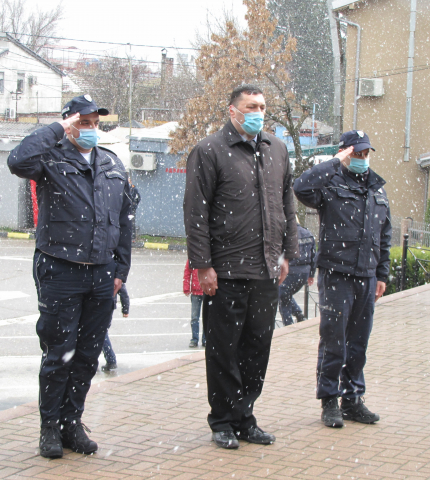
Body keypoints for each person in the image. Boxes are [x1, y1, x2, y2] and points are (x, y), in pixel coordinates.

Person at [8, 94, 133, 458]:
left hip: (101, 275)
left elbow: (125, 220)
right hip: (60, 270)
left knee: (87, 357)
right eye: (84, 122)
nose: (91, 129)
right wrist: (59, 129)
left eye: (95, 123)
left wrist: (120, 271)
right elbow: (17, 160)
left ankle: (71, 424)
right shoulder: (48, 158)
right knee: (58, 355)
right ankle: (49, 428)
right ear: (69, 122)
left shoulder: (111, 163)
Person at [184, 84, 299, 449]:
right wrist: (203, 265)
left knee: (256, 348)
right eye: (251, 106)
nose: (258, 112)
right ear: (232, 111)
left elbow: (287, 205)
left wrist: (287, 254)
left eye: (262, 107)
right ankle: (222, 421)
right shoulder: (209, 150)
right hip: (226, 271)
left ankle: (245, 416)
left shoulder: (277, 149)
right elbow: (195, 213)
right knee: (223, 350)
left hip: (265, 270)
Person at [293, 130, 391, 429]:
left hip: (366, 275)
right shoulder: (330, 183)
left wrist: (382, 274)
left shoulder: (377, 188)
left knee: (358, 343)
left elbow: (383, 235)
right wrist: (335, 162)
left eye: (365, 153)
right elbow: (300, 187)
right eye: (356, 153)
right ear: (345, 152)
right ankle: (330, 401)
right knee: (334, 341)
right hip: (337, 274)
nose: (362, 158)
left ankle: (353, 399)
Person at [101, 181, 139, 372]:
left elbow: (121, 288)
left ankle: (110, 360)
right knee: (99, 333)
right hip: (107, 304)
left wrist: (125, 307)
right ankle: (108, 360)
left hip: (106, 304)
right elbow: (122, 290)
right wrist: (125, 308)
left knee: (99, 333)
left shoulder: (112, 271)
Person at [278, 220, 317, 326]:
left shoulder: (287, 234)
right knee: (284, 295)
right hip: (304, 272)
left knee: (282, 297)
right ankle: (299, 315)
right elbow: (314, 255)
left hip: (290, 271)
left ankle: (290, 323)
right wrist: (311, 274)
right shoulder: (308, 233)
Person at [183, 259, 205, 347]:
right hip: (196, 293)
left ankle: (205, 339)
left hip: (207, 291)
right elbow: (187, 273)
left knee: (206, 317)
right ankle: (194, 339)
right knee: (194, 317)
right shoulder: (193, 258)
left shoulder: (208, 256)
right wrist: (186, 287)